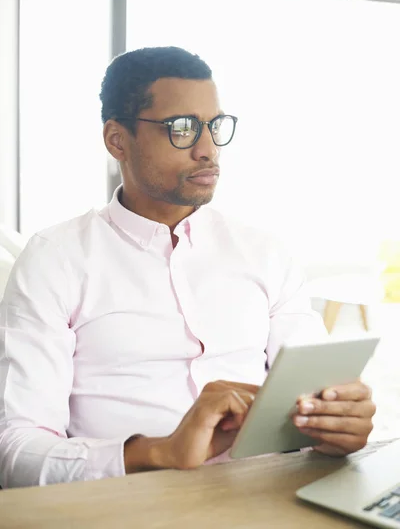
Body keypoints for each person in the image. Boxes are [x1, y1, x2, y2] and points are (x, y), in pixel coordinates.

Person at [0, 47, 375, 488]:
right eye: (182, 128)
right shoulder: (55, 259)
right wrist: (161, 450)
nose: (207, 149)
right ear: (117, 140)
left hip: (270, 493)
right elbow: (15, 453)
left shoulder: (265, 251)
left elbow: (316, 393)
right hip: (130, 502)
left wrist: (338, 424)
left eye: (214, 126)